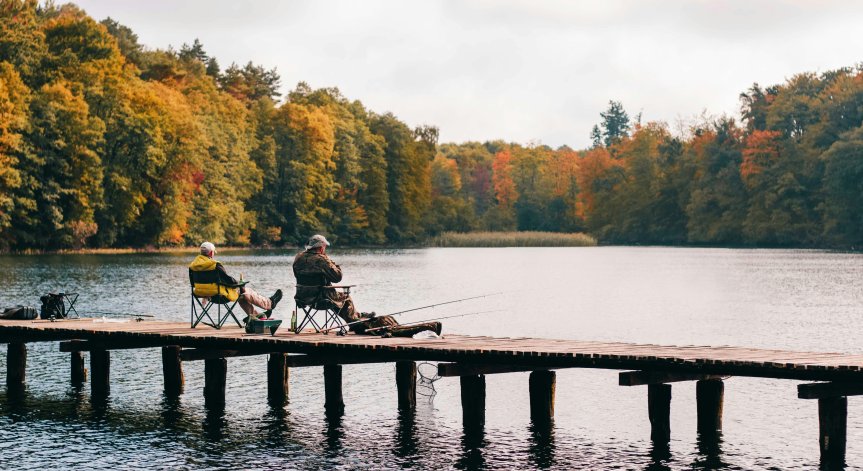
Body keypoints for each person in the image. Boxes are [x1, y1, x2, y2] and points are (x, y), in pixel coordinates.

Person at [293, 234, 441, 337]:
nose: (325, 250)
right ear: (320, 248)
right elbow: (337, 277)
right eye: (325, 247)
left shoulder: (298, 258)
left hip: (303, 298)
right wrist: (331, 262)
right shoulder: (321, 259)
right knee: (346, 298)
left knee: (339, 300)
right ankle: (356, 322)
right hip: (321, 298)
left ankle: (358, 317)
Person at [190, 242, 282, 320]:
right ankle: (269, 303)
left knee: (242, 295)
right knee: (245, 291)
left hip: (202, 294)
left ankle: (257, 316)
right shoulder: (215, 265)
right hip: (219, 296)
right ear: (210, 253)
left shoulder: (193, 266)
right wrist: (238, 284)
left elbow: (193, 284)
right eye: (213, 252)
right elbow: (228, 280)